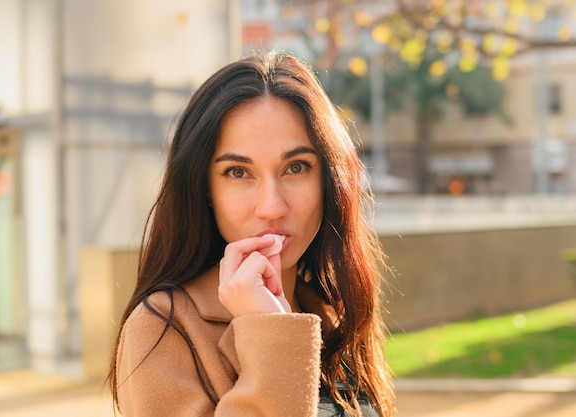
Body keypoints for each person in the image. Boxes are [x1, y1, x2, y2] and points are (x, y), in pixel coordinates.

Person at [108, 50, 396, 417]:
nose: (272, 207)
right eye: (238, 172)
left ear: (327, 179)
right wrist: (267, 332)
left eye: (296, 167)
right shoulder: (163, 327)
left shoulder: (330, 312)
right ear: (204, 190)